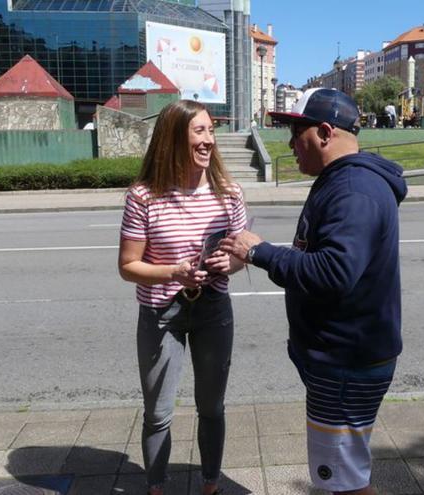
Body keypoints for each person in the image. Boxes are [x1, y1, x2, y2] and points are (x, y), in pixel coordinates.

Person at [220, 88, 407, 495]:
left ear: (324, 132)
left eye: (296, 131)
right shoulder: (342, 180)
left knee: (343, 483)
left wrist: (259, 252)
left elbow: (333, 272)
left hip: (346, 363)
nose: (290, 143)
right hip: (342, 359)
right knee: (347, 474)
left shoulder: (354, 190)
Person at [118, 99, 247, 495]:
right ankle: (156, 488)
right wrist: (173, 271)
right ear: (174, 137)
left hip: (212, 308)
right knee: (158, 412)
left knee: (212, 407)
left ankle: (210, 486)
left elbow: (243, 254)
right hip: (162, 311)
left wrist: (231, 263)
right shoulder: (143, 196)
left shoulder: (229, 193)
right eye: (199, 132)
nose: (209, 140)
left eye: (211, 131)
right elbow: (127, 265)